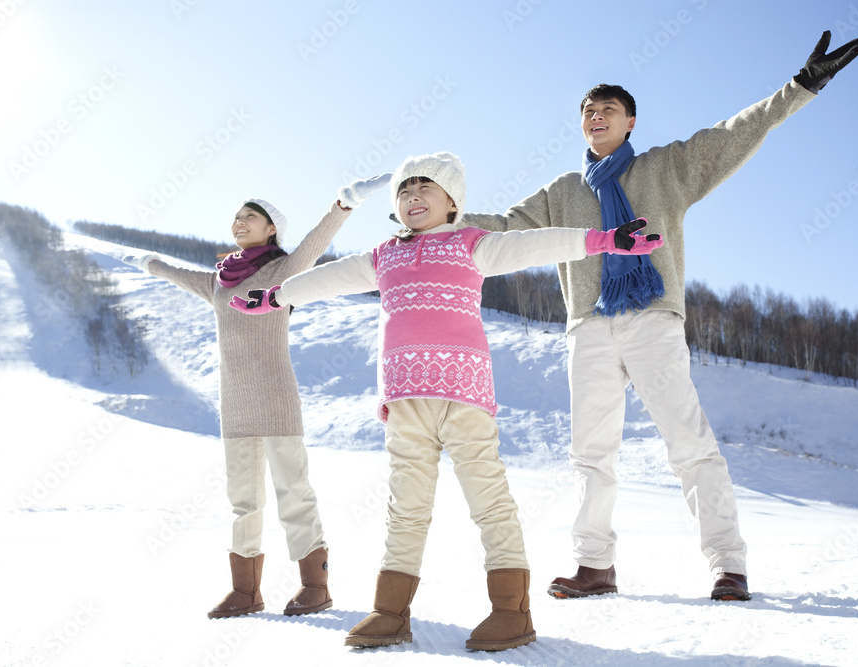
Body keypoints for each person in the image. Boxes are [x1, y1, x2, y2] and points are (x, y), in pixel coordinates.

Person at [456, 31, 858, 601]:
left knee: (688, 443)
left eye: (608, 110)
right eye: (587, 111)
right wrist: (440, 216)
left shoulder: (666, 168)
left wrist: (799, 88)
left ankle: (729, 565)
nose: (595, 116)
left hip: (653, 319)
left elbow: (734, 134)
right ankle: (594, 565)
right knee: (591, 454)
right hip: (589, 326)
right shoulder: (561, 191)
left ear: (630, 122)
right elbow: (501, 228)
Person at [229, 151, 662, 650]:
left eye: (425, 188)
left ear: (452, 200)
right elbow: (329, 278)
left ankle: (511, 612)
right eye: (405, 191)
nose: (413, 197)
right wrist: (276, 297)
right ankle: (390, 611)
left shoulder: (470, 243)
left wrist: (606, 240)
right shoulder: (383, 254)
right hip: (404, 398)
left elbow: (535, 245)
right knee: (405, 509)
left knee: (489, 502)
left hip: (464, 395)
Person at [123, 173, 390, 618]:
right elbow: (178, 274)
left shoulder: (280, 272)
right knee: (243, 501)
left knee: (293, 493)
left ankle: (314, 585)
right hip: (236, 408)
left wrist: (343, 204)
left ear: (271, 229)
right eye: (237, 216)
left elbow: (313, 246)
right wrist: (150, 262)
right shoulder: (219, 282)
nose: (239, 221)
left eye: (251, 216)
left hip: (277, 401)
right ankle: (246, 592)